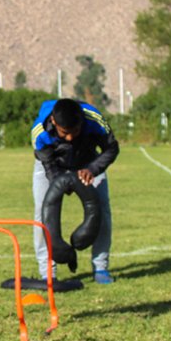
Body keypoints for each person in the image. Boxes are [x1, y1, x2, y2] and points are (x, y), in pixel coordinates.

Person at [30, 98, 120, 285]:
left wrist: (93, 169)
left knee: (102, 209)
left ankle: (101, 267)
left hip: (88, 163)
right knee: (42, 212)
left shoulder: (94, 120)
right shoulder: (40, 131)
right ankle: (47, 272)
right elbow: (48, 165)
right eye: (65, 133)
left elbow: (111, 148)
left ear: (82, 121)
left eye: (75, 131)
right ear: (54, 122)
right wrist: (62, 183)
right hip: (52, 165)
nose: (70, 137)